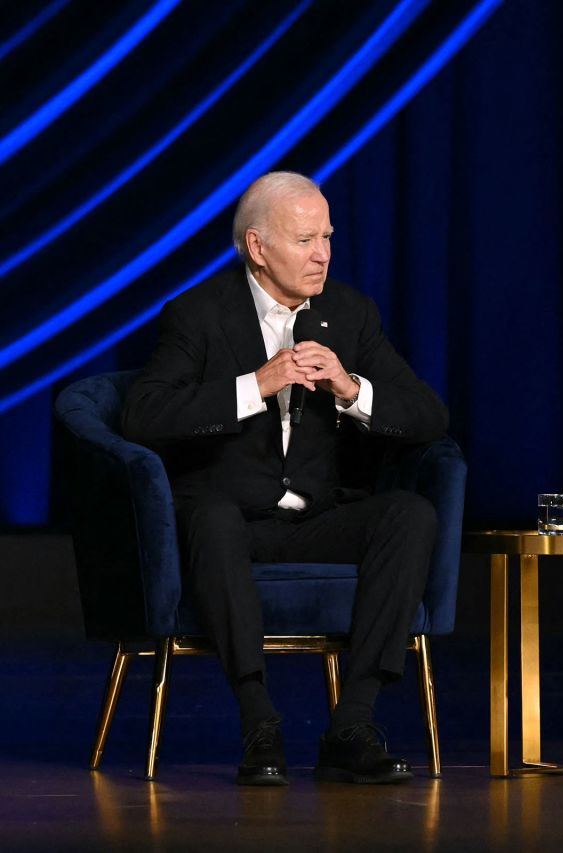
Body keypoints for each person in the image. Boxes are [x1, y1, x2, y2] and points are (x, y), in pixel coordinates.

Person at [123, 171, 448, 785]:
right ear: (257, 247)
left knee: (409, 513)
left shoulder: (349, 314)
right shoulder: (199, 314)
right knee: (213, 519)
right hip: (229, 521)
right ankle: (259, 724)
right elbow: (143, 414)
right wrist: (256, 386)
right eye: (304, 240)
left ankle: (351, 724)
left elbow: (429, 416)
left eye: (327, 237)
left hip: (315, 518)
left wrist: (352, 390)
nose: (322, 254)